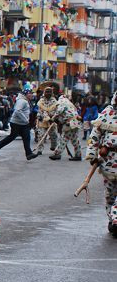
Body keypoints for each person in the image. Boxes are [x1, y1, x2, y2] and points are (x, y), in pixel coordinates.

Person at [86, 91, 117, 237]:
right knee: (110, 194)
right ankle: (112, 219)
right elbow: (94, 136)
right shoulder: (107, 113)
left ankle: (116, 219)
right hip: (108, 161)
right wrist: (92, 155)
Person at [0, 88, 39, 160]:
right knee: (12, 137)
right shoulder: (22, 101)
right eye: (30, 93)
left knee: (26, 137)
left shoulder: (25, 100)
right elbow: (17, 111)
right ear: (26, 94)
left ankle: (29, 154)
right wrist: (25, 119)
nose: (32, 95)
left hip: (22, 123)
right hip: (17, 123)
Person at [51, 90, 83, 161]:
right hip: (75, 122)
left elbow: (59, 111)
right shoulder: (69, 102)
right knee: (75, 139)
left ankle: (57, 153)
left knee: (64, 138)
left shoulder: (61, 102)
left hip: (69, 123)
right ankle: (78, 155)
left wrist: (53, 118)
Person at [35, 81, 60, 153]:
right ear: (44, 92)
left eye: (50, 92)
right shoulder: (41, 101)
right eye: (47, 91)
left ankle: (53, 146)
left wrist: (54, 118)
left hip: (52, 122)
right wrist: (39, 116)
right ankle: (40, 149)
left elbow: (57, 111)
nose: (48, 93)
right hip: (42, 121)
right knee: (41, 136)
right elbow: (40, 111)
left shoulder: (54, 101)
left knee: (54, 135)